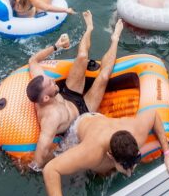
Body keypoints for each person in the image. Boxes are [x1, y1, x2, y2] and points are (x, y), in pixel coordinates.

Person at [27, 13, 124, 171]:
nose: (52, 80)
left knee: (82, 56)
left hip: (68, 96)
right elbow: (41, 152)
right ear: (45, 97)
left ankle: (89, 28)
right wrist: (34, 167)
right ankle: (115, 39)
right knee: (104, 76)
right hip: (82, 112)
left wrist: (56, 46)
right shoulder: (51, 117)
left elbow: (32, 61)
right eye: (50, 83)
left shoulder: (42, 83)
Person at [42, 104, 169, 196]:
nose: (130, 172)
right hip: (81, 126)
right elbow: (50, 170)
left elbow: (153, 114)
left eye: (135, 162)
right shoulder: (90, 152)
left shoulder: (137, 133)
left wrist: (168, 153)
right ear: (110, 156)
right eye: (125, 166)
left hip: (102, 121)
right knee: (73, 181)